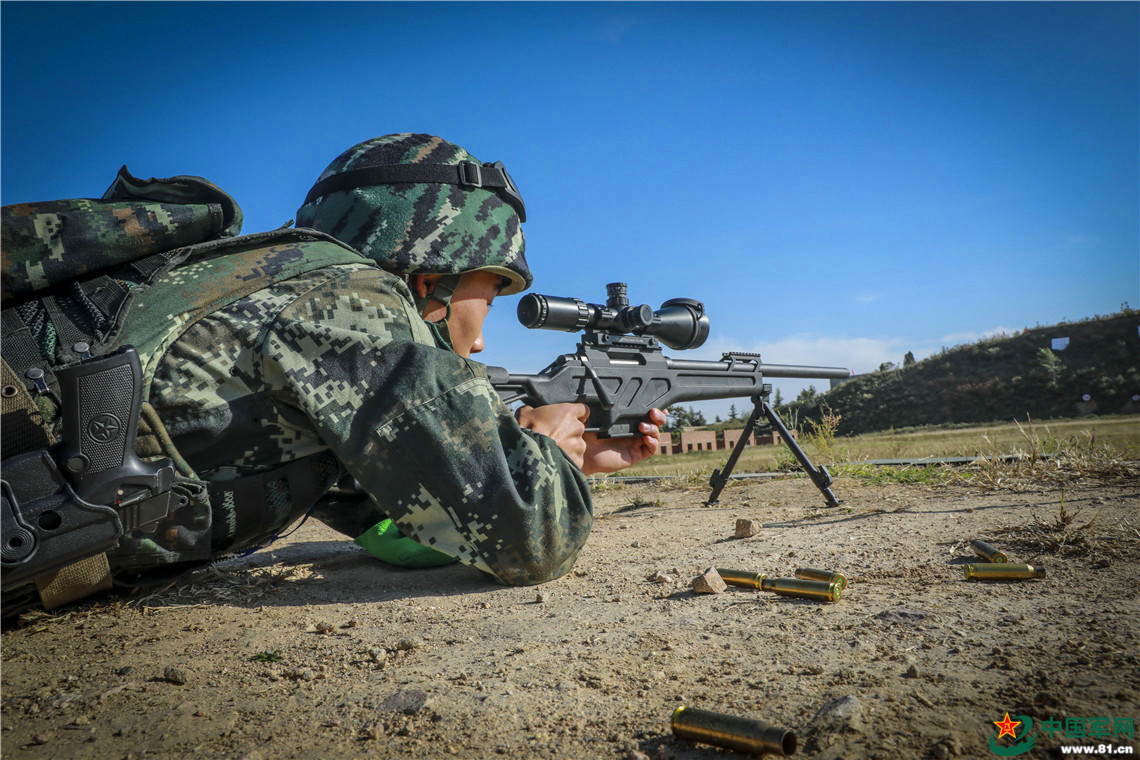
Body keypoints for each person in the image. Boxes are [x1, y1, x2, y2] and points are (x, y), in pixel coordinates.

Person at [149, 132, 663, 586]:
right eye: (487, 301)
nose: (480, 343)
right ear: (428, 281)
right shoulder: (350, 302)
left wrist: (552, 463)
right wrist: (545, 458)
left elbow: (404, 529)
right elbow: (532, 544)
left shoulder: (284, 292)